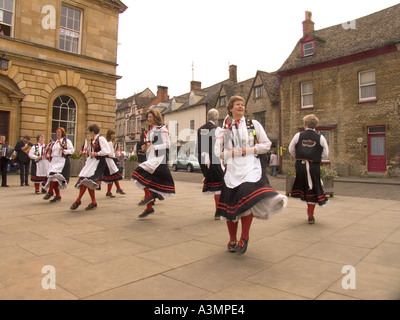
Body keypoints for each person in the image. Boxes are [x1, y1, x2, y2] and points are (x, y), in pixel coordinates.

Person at [215, 95, 287, 255]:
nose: (241, 107)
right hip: (232, 170)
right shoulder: (224, 130)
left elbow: (267, 145)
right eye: (237, 105)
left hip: (250, 169)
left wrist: (247, 150)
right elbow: (217, 153)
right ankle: (232, 238)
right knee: (230, 207)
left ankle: (244, 237)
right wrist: (230, 153)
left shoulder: (253, 124)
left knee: (246, 202)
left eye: (242, 104)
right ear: (230, 108)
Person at [132, 109, 175, 218]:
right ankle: (149, 207)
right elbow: (150, 145)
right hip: (151, 158)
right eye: (148, 117)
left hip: (158, 159)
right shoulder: (150, 131)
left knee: (138, 173)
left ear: (156, 117)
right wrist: (145, 147)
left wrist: (154, 146)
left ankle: (149, 196)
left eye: (151, 117)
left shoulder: (162, 129)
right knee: (147, 181)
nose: (149, 119)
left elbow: (167, 144)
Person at [288, 114, 330, 224]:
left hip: (301, 165)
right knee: (313, 187)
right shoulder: (320, 137)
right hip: (313, 165)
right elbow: (326, 154)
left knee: (306, 186)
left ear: (305, 125)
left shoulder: (298, 135)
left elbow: (291, 149)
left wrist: (299, 156)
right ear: (316, 125)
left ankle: (308, 209)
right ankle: (311, 214)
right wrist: (315, 156)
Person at [71, 124, 110, 211]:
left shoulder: (101, 139)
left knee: (88, 181)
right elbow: (90, 151)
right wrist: (85, 153)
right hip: (92, 162)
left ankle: (78, 200)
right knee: (86, 181)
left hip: (98, 163)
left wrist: (96, 154)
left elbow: (107, 151)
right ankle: (93, 202)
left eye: (90, 132)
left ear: (92, 132)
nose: (89, 134)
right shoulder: (93, 140)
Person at [196, 108, 224, 220]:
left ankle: (219, 211)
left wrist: (203, 167)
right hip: (216, 161)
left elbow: (200, 148)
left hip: (205, 162)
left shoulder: (201, 129)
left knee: (216, 187)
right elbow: (219, 147)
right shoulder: (217, 129)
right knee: (221, 186)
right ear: (216, 118)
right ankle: (219, 211)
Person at [43, 127, 74, 202]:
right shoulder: (54, 142)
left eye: (59, 132)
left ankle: (50, 192)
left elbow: (72, 150)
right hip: (54, 160)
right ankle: (58, 196)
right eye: (56, 132)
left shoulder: (66, 141)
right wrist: (48, 155)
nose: (57, 134)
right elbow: (52, 152)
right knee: (53, 177)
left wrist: (64, 151)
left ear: (62, 133)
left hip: (61, 160)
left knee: (53, 175)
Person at [103, 129, 125, 198]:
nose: (113, 136)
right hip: (109, 160)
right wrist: (114, 154)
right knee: (113, 176)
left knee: (113, 176)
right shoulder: (109, 143)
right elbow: (110, 153)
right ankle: (112, 190)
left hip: (108, 160)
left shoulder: (108, 142)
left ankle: (116, 189)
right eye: (112, 134)